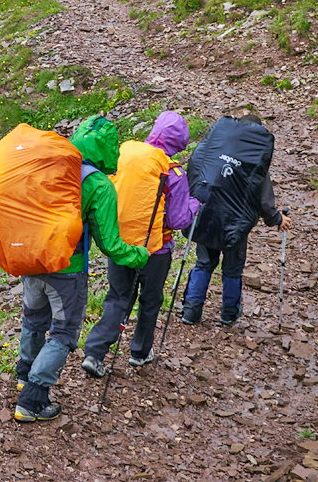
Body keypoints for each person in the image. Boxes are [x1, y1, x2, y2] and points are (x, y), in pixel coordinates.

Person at [14, 115, 149, 423]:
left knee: (34, 321)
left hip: (34, 259)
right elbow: (111, 245)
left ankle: (24, 375)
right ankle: (32, 399)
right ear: (108, 149)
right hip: (67, 270)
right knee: (63, 333)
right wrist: (139, 255)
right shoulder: (98, 184)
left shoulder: (51, 165)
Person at [82, 111, 200, 374]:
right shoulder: (173, 172)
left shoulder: (123, 154)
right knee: (150, 300)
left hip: (119, 245)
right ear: (178, 142)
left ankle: (95, 352)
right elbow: (178, 220)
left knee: (117, 298)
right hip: (155, 250)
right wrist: (195, 203)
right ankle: (140, 352)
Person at [181, 113, 292, 326]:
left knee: (204, 263)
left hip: (206, 216)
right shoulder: (253, 161)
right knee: (232, 268)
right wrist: (278, 219)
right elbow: (264, 200)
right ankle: (229, 313)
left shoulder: (213, 150)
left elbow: (194, 172)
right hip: (235, 224)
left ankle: (191, 312)